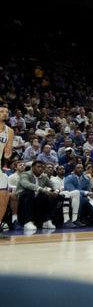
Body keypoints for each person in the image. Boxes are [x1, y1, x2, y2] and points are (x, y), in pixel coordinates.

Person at [17, 160, 60, 230]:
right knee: (30, 192)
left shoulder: (44, 177)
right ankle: (28, 222)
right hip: (23, 196)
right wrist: (42, 189)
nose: (40, 169)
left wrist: (56, 191)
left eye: (42, 167)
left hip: (36, 198)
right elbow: (26, 184)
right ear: (33, 167)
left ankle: (47, 221)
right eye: (38, 167)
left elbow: (53, 185)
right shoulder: (25, 174)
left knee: (52, 195)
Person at [0, 102, 15, 238]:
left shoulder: (9, 131)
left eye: (6, 111)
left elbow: (7, 150)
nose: (5, 113)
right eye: (1, 111)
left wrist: (8, 154)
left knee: (5, 196)